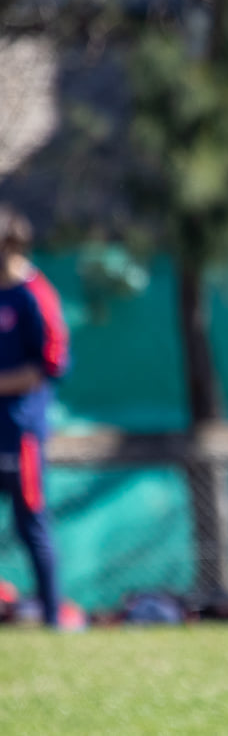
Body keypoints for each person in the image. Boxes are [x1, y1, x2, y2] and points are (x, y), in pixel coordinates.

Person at [0, 204, 69, 629]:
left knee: (31, 523)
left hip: (20, 430)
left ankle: (51, 618)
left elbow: (51, 364)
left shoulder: (34, 294)